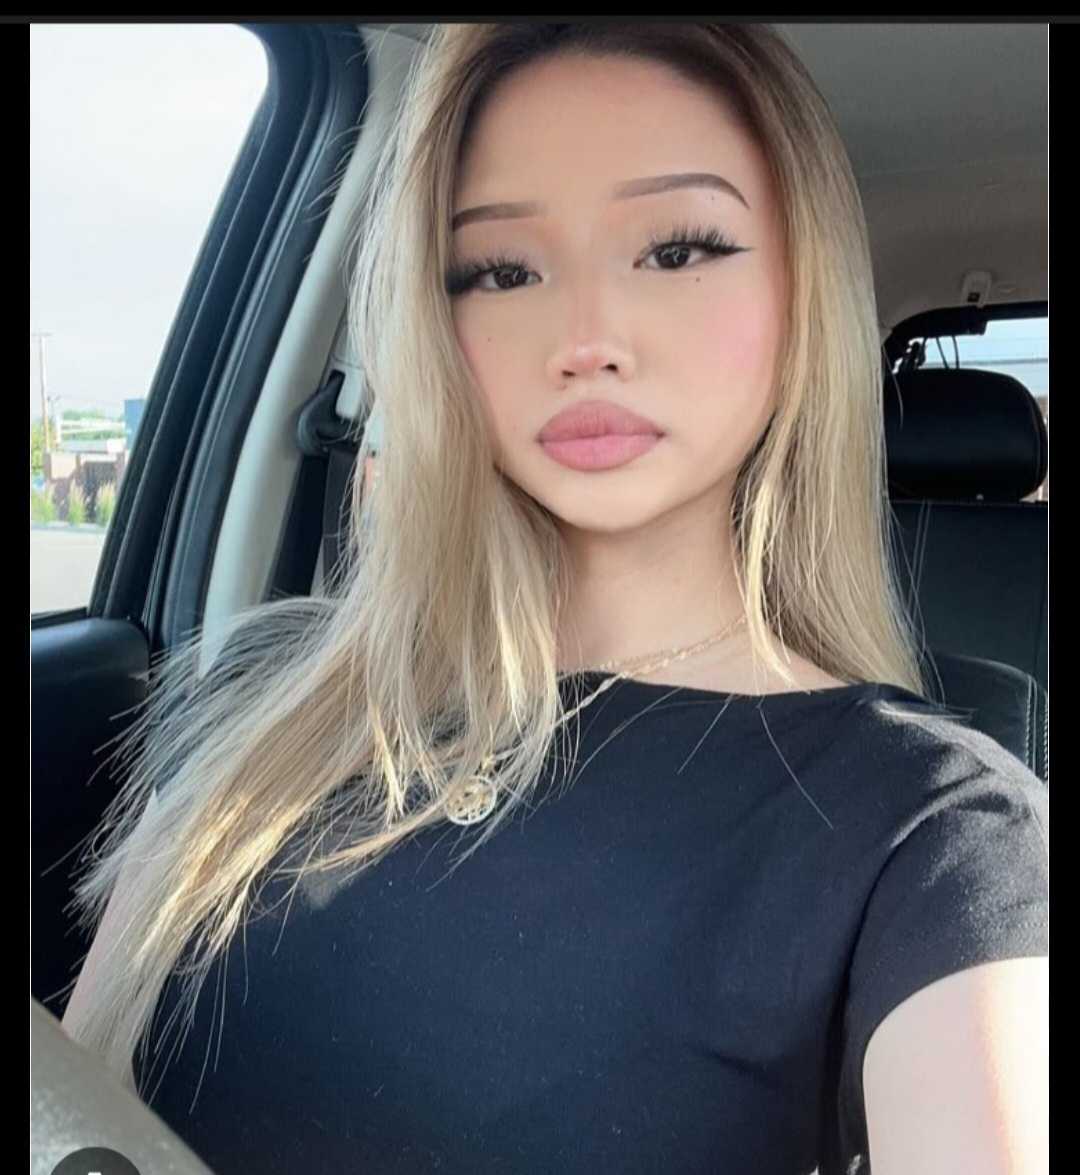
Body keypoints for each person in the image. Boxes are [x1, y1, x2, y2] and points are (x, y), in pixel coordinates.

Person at [60, 23, 1048, 1174]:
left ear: (802, 292)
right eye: (500, 269)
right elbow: (71, 1105)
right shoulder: (271, 686)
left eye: (678, 249)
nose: (585, 339)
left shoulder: (937, 830)